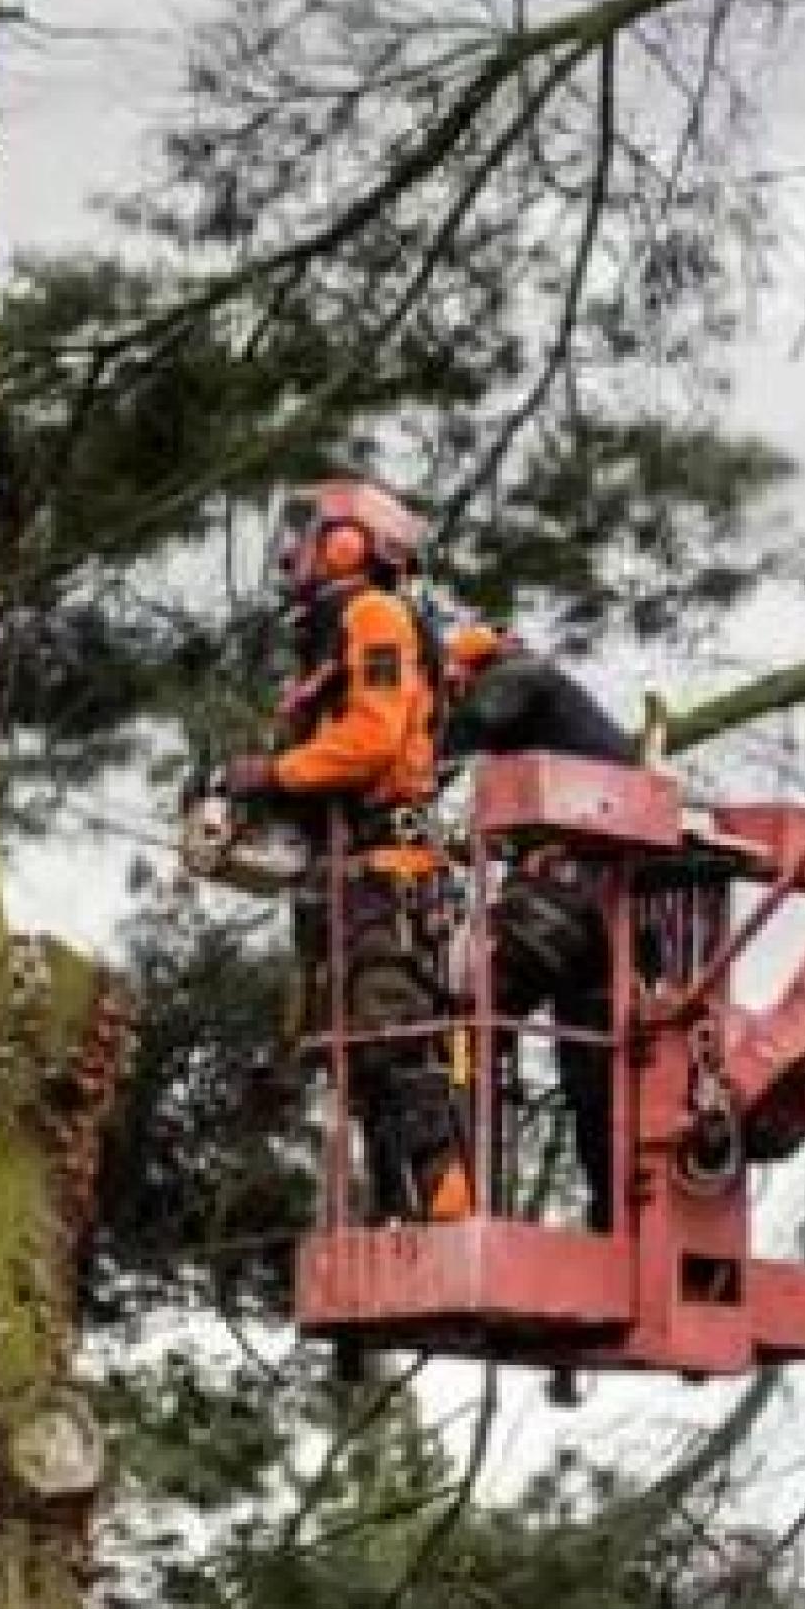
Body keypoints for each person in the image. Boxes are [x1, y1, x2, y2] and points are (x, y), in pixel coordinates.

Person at [221, 480, 470, 1225]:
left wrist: (273, 773)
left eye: (306, 532)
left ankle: (448, 1203)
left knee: (391, 1034)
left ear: (349, 539)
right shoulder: (328, 636)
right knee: (357, 1056)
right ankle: (398, 1212)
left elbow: (370, 740)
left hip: (386, 873)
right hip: (344, 876)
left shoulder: (374, 615)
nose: (292, 551)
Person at [441, 626, 635, 1234]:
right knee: (592, 1075)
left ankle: (452, 1196)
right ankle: (615, 1221)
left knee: (473, 1012)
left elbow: (479, 720)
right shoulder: (563, 719)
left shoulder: (521, 681)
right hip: (605, 907)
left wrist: (418, 747)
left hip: (569, 889)